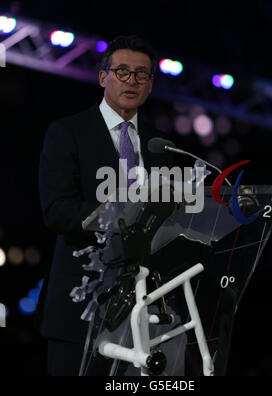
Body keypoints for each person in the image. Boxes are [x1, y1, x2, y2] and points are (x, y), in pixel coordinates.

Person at [37, 35, 173, 376]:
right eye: (122, 71)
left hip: (146, 309)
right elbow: (56, 210)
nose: (132, 81)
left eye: (141, 74)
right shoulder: (69, 132)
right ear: (103, 77)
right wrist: (118, 215)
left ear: (151, 84)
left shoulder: (161, 145)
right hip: (82, 306)